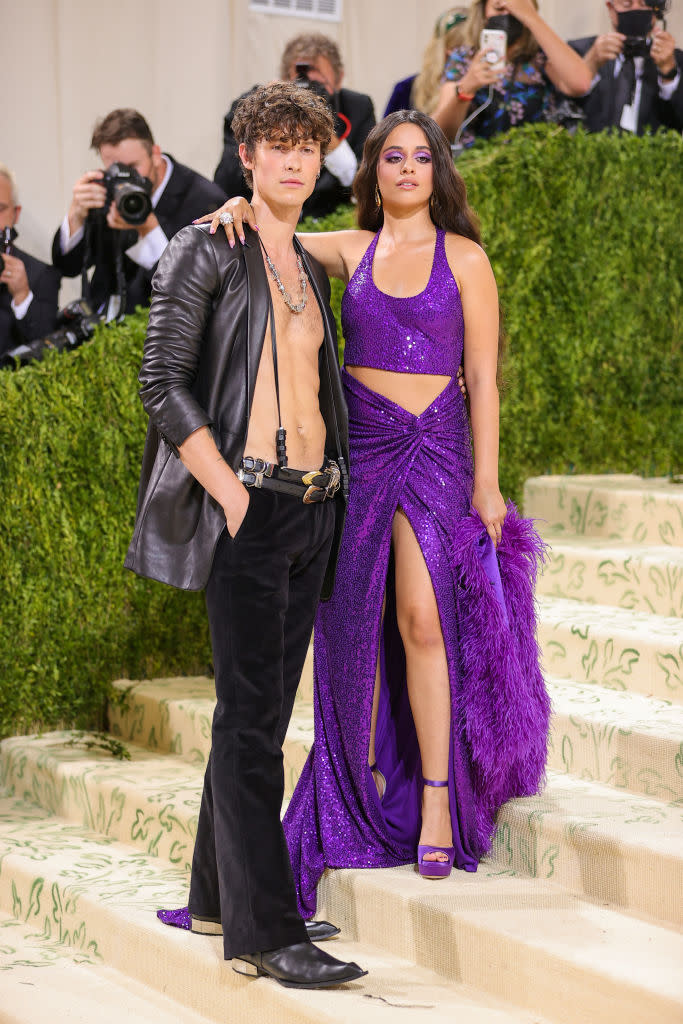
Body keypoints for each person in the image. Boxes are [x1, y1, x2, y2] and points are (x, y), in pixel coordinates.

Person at [208, 109, 549, 918]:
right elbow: (276, 236)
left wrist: (489, 483)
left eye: (419, 157)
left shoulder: (464, 258)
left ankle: (436, 798)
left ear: (438, 171)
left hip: (437, 453)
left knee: (423, 620)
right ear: (371, 171)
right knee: (353, 629)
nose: (405, 169)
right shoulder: (350, 249)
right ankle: (358, 798)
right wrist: (237, 207)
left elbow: (484, 379)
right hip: (360, 456)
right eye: (391, 157)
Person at [124, 82, 365, 989]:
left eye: (308, 144)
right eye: (276, 144)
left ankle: (219, 894)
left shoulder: (303, 256)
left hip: (311, 507)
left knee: (254, 715)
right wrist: (227, 494)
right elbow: (162, 381)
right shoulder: (207, 246)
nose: (295, 158)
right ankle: (268, 930)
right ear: (247, 157)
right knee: (253, 722)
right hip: (252, 506)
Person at [52, 109, 226, 320]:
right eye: (116, 168)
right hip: (100, 329)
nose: (127, 178)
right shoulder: (108, 189)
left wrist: (149, 231)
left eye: (134, 167)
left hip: (161, 332)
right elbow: (68, 267)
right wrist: (75, 217)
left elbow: (196, 292)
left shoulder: (205, 201)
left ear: (155, 153)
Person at [213, 33, 375, 219]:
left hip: (328, 222)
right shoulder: (250, 106)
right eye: (301, 85)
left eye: (319, 85)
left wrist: (321, 131)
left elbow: (366, 183)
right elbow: (226, 183)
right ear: (284, 79)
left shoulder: (357, 107)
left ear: (339, 80)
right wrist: (269, 112)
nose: (310, 94)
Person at [433, 0, 592, 147]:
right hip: (477, 166)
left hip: (536, 162)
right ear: (483, 12)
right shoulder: (464, 58)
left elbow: (581, 83)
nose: (508, 14)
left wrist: (531, 17)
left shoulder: (542, 57)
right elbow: (439, 132)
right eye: (499, 7)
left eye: (515, 7)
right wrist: (466, 88)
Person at [570, 0, 682, 134]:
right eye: (626, 4)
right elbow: (559, 108)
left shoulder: (676, 60)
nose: (635, 10)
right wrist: (590, 65)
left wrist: (669, 74)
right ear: (611, 9)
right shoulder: (579, 52)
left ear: (655, 11)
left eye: (643, 5)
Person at [0, 164, 60, 359]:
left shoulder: (41, 274)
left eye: (0, 209)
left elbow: (49, 353)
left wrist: (22, 296)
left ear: (15, 214)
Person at [384, 7, 469, 116]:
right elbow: (388, 131)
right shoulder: (406, 89)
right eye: (465, 48)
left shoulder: (488, 91)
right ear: (449, 49)